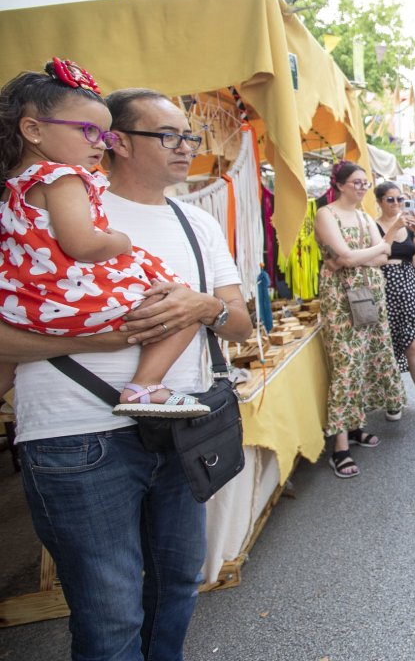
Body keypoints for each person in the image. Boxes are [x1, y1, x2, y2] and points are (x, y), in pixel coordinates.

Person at [4, 81, 252, 660]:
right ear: (114, 140)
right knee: (109, 616)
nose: (185, 146)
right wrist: (110, 335)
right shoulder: (40, 205)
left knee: (176, 588)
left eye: (187, 135)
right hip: (75, 435)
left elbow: (239, 323)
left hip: (179, 425)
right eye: (168, 135)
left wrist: (205, 307)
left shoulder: (199, 223)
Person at [0, 60, 207, 418]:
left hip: (22, 300)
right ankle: (145, 386)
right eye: (88, 131)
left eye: (103, 134)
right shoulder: (63, 177)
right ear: (33, 130)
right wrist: (120, 242)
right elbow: (81, 244)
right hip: (70, 295)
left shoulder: (12, 187)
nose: (100, 144)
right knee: (179, 307)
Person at [314, 162, 408, 478]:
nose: (362, 187)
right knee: (345, 366)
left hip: (369, 295)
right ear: (339, 184)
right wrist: (374, 248)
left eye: (365, 182)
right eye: (356, 182)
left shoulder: (364, 216)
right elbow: (350, 256)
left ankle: (354, 428)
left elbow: (380, 257)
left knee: (366, 361)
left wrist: (356, 257)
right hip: (341, 300)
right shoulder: (326, 215)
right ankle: (339, 447)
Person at [374, 180, 415, 425]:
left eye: (400, 199)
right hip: (383, 288)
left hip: (408, 286)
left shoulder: (411, 226)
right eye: (390, 199)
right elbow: (378, 255)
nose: (396, 204)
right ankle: (392, 398)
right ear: (379, 202)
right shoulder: (374, 225)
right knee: (386, 346)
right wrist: (393, 229)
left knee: (414, 344)